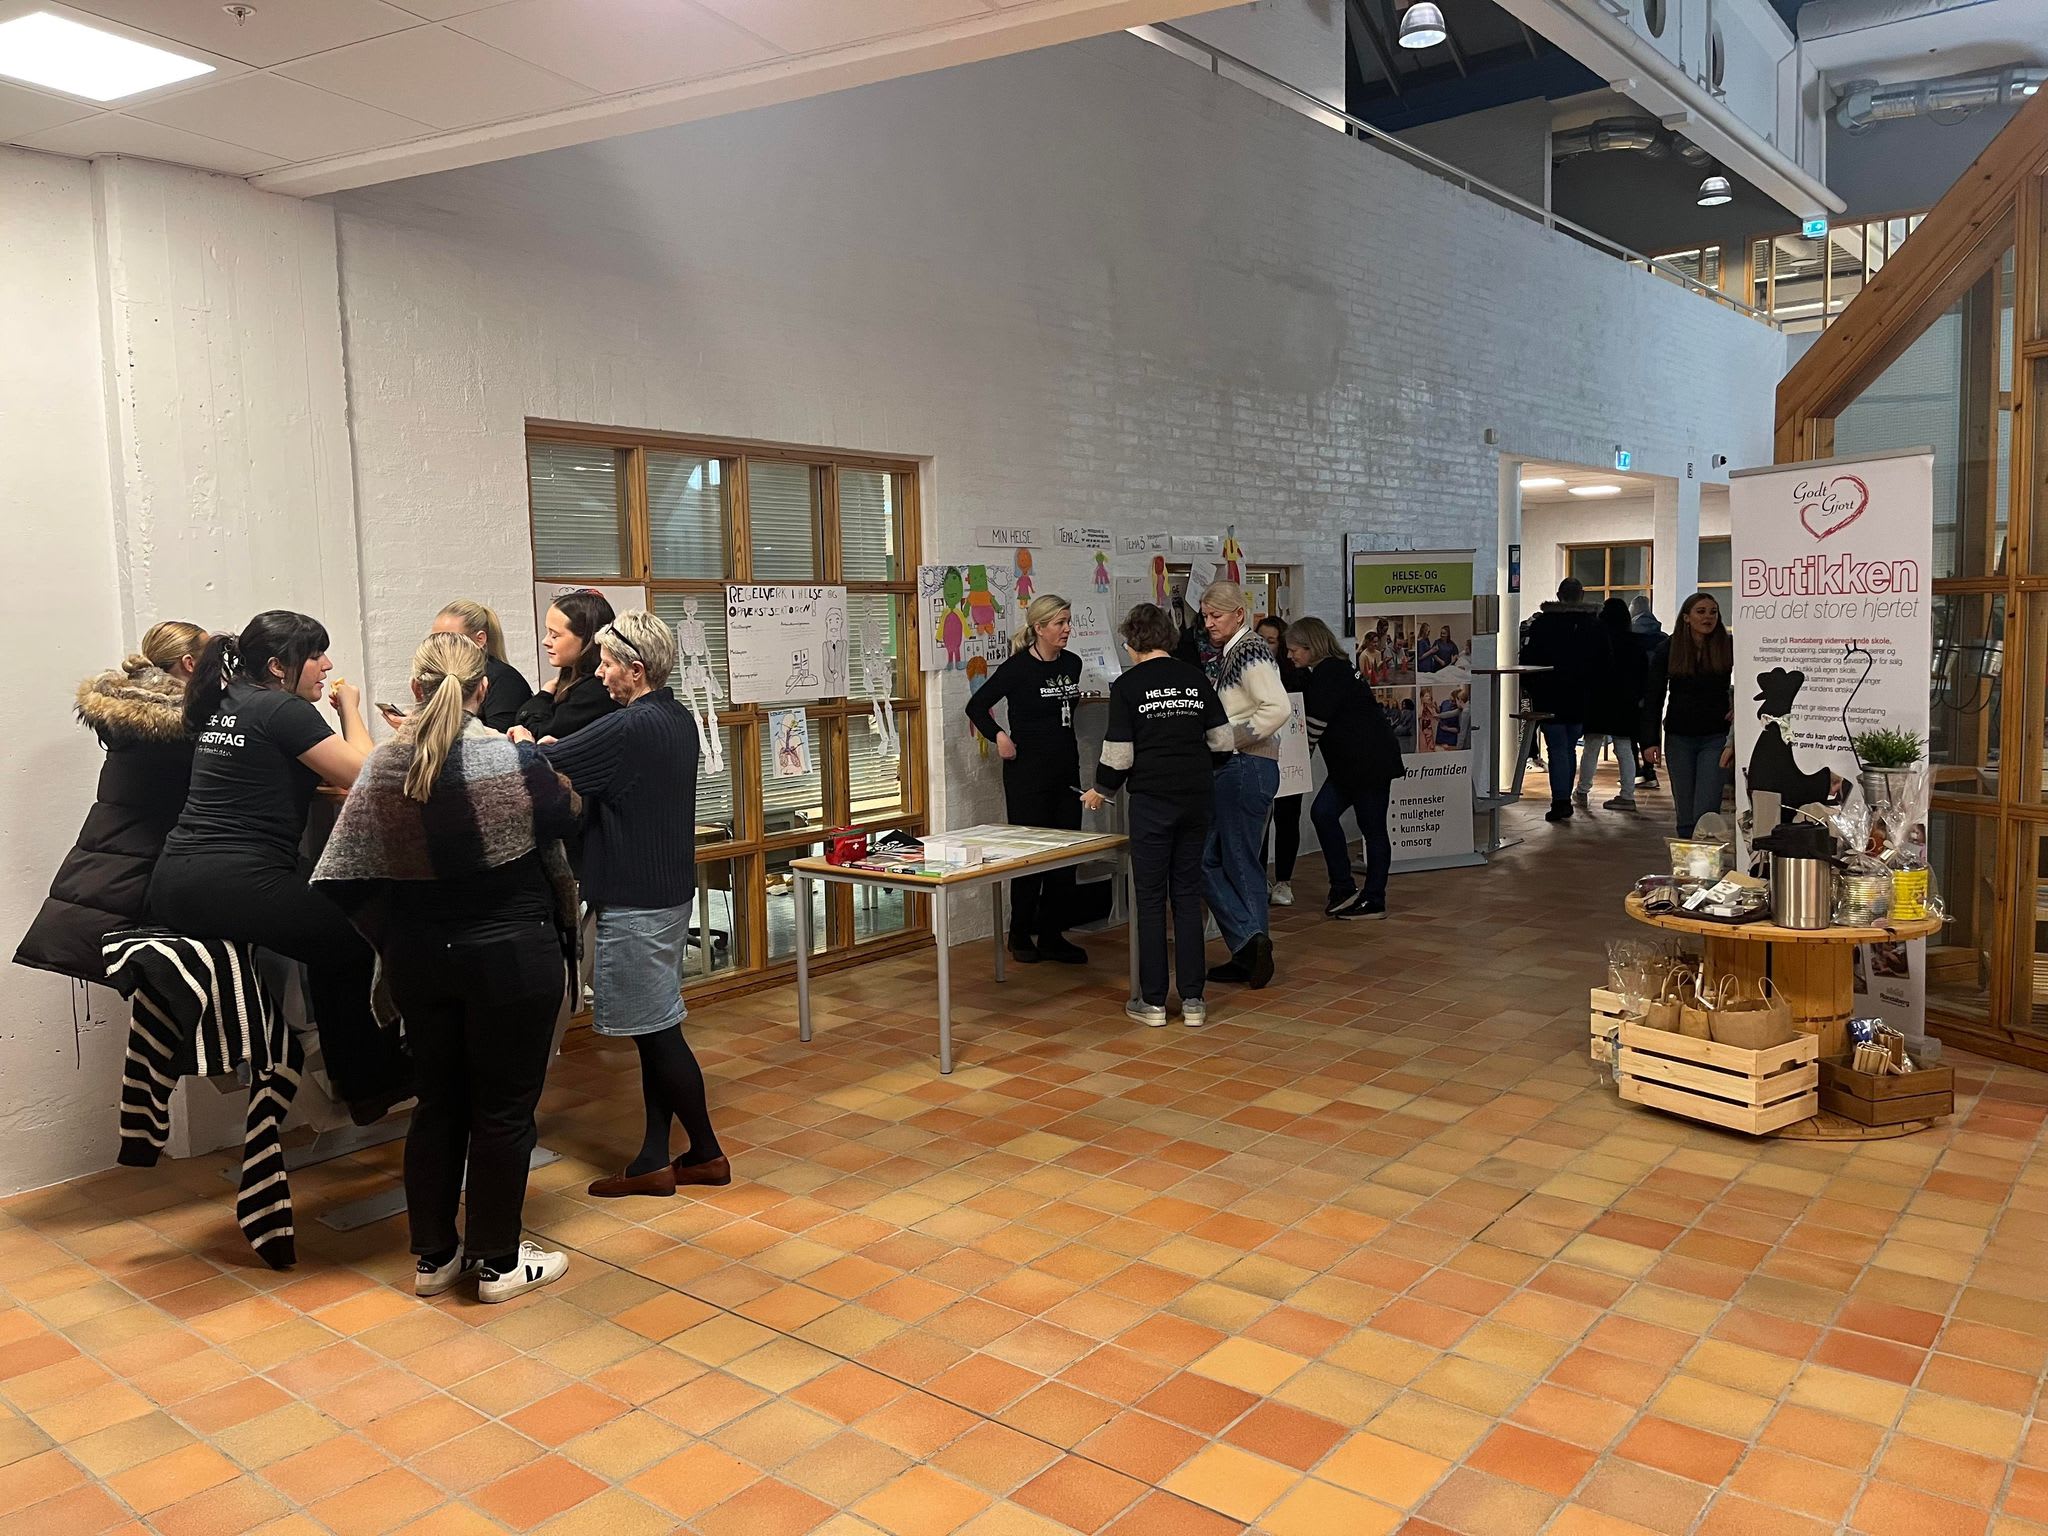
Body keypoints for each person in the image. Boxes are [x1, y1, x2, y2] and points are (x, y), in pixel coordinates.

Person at [312, 634, 580, 1303]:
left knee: (437, 1104)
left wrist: (394, 933)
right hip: (513, 956)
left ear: (416, 690)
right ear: (483, 689)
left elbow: (344, 875)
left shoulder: (382, 766)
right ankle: (498, 1264)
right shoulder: (515, 760)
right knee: (504, 1110)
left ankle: (434, 1259)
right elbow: (564, 815)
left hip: (421, 959)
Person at [149, 612, 412, 1126]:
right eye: (315, 655)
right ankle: (368, 1084)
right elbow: (368, 773)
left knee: (331, 930)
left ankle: (358, 1075)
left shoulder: (229, 698)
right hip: (233, 881)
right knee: (353, 941)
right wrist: (350, 709)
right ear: (277, 666)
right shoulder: (283, 708)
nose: (326, 665)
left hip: (177, 878)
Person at [521, 612, 729, 1199]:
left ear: (636, 670)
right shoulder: (675, 717)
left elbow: (535, 767)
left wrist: (525, 741)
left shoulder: (631, 725)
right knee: (653, 1029)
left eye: (609, 664)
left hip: (637, 898)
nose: (600, 673)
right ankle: (655, 1158)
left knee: (658, 1035)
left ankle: (706, 1152)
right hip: (666, 891)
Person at [16, 622, 209, 982]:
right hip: (147, 865)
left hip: (113, 861)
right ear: (190, 664)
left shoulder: (127, 714)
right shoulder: (184, 727)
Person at [1083, 604, 1234, 1029]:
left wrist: (1101, 790)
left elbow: (1119, 754)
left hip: (1152, 800)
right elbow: (1222, 742)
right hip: (1196, 796)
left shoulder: (1128, 685)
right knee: (1187, 893)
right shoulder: (1195, 677)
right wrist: (1195, 769)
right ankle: (1193, 1000)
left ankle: (1152, 1003)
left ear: (1133, 643)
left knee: (1149, 898)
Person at [964, 594, 1087, 964]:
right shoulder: (1018, 668)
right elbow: (976, 706)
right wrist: (999, 736)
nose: (1067, 629)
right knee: (1031, 854)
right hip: (1027, 774)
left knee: (1065, 855)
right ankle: (1019, 933)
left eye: (1068, 622)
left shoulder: (1073, 663)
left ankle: (1052, 934)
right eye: (1060, 623)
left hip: (1065, 770)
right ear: (1040, 628)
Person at [1198, 581, 1289, 989]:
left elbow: (1278, 707)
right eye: (1205, 616)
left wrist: (1230, 739)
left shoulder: (1249, 650)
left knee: (1227, 859)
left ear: (1239, 614)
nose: (1209, 623)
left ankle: (1250, 944)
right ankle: (1250, 948)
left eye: (1216, 615)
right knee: (1226, 859)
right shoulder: (1239, 651)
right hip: (1244, 766)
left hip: (1244, 765)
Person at [1288, 617, 1404, 920]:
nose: (1290, 655)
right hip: (1352, 764)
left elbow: (1314, 726)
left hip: (1368, 762)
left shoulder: (1330, 673)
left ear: (1310, 647)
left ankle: (1374, 899)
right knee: (1323, 813)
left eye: (1294, 650)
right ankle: (1342, 887)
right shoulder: (1333, 669)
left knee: (1372, 828)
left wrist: (1292, 765)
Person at [1641, 591, 1735, 836]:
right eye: (1701, 612)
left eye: (1713, 612)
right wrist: (1649, 740)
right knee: (1684, 807)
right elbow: (1654, 696)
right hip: (1679, 735)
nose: (1708, 617)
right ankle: (1687, 853)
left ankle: (1704, 849)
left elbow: (1751, 678)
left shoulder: (1728, 645)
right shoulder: (1668, 648)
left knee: (1706, 807)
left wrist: (1739, 705)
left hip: (1715, 735)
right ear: (1686, 617)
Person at [1520, 577, 1604, 822]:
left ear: (1558, 595)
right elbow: (1604, 663)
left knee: (1557, 748)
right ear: (1582, 595)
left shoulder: (1543, 624)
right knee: (1569, 747)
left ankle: (1560, 801)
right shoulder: (1593, 625)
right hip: (1581, 697)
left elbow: (1528, 660)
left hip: (1550, 695)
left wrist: (1533, 689)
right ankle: (1564, 797)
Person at [515, 590, 622, 742]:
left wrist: (544, 695)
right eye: (547, 632)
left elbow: (539, 732)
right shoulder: (572, 680)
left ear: (587, 639)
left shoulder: (596, 690)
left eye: (554, 635)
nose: (545, 641)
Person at [1577, 598, 1646, 812]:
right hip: (1625, 702)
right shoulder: (1635, 642)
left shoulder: (1595, 640)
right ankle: (1627, 795)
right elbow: (1643, 674)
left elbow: (1586, 671)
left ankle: (1582, 791)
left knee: (1591, 747)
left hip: (1598, 700)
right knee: (1624, 748)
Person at [1256, 615, 1303, 908]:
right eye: (1259, 639)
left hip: (1290, 758)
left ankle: (1284, 880)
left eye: (1270, 641)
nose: (1264, 645)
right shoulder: (1246, 672)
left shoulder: (1295, 676)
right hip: (1258, 755)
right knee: (1258, 818)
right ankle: (1259, 876)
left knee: (1287, 817)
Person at [433, 599, 534, 732]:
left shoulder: (504, 681)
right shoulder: (441, 675)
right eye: (434, 640)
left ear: (479, 639)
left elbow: (501, 740)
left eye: (450, 640)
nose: (438, 647)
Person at [1628, 596, 1665, 789]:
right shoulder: (1662, 637)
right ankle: (1649, 770)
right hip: (1656, 691)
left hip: (1634, 690)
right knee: (1650, 730)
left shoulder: (1629, 636)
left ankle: (1634, 772)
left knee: (1631, 733)